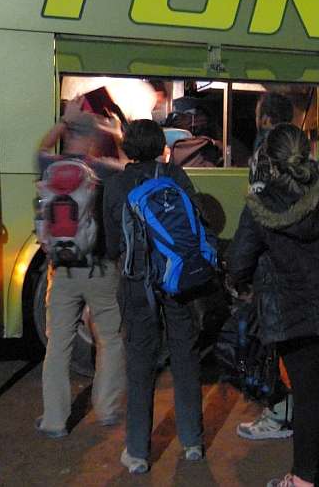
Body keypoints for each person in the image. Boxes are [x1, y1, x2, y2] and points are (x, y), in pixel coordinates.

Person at [227, 124, 319, 487]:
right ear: (307, 152)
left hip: (295, 320)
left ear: (269, 161)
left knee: (309, 401)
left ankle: (303, 480)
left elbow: (238, 264)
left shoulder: (260, 206)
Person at [102, 119, 206, 474]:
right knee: (185, 357)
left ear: (127, 148)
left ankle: (138, 452)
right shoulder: (175, 177)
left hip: (137, 284)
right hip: (178, 281)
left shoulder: (116, 184)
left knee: (140, 363)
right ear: (162, 145)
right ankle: (192, 442)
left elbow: (112, 244)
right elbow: (198, 222)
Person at [35, 108, 125, 439]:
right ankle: (106, 408)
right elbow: (132, 168)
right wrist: (115, 132)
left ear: (67, 135)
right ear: (90, 138)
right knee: (111, 338)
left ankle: (55, 420)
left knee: (58, 342)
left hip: (62, 270)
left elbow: (40, 149)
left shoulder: (49, 166)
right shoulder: (103, 169)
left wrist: (62, 121)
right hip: (100, 269)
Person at [236, 92, 298, 441]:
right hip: (303, 265)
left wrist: (239, 269)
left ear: (264, 119)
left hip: (273, 265)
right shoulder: (302, 149)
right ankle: (295, 409)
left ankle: (278, 415)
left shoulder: (265, 152)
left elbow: (256, 214)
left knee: (273, 342)